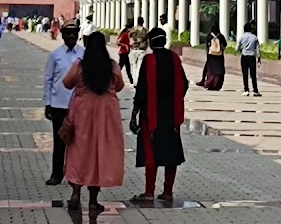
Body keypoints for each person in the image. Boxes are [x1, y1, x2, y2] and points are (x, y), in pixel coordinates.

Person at [61, 31, 125, 214]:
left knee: (79, 151)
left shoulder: (80, 65)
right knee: (99, 152)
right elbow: (119, 86)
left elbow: (67, 83)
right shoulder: (111, 66)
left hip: (82, 113)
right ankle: (93, 200)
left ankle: (75, 193)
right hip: (106, 115)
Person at [130, 27, 189, 203]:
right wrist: (175, 98)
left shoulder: (149, 60)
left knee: (151, 152)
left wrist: (134, 113)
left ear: (150, 42)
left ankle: (149, 192)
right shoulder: (174, 59)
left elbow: (141, 89)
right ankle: (168, 191)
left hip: (152, 113)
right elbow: (184, 83)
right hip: (171, 113)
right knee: (171, 151)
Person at [44, 22, 84, 186]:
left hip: (79, 105)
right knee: (59, 140)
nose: (71, 36)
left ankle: (76, 175)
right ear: (62, 34)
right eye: (68, 33)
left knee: (78, 141)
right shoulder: (55, 55)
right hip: (58, 104)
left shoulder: (84, 54)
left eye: (74, 33)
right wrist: (47, 103)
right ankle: (57, 174)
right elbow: (48, 80)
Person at [238, 19, 261, 97]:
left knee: (245, 74)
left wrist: (241, 50)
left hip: (244, 56)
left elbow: (237, 47)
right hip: (252, 57)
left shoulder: (241, 37)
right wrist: (259, 58)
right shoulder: (254, 37)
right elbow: (257, 49)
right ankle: (255, 90)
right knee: (253, 74)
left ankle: (246, 90)